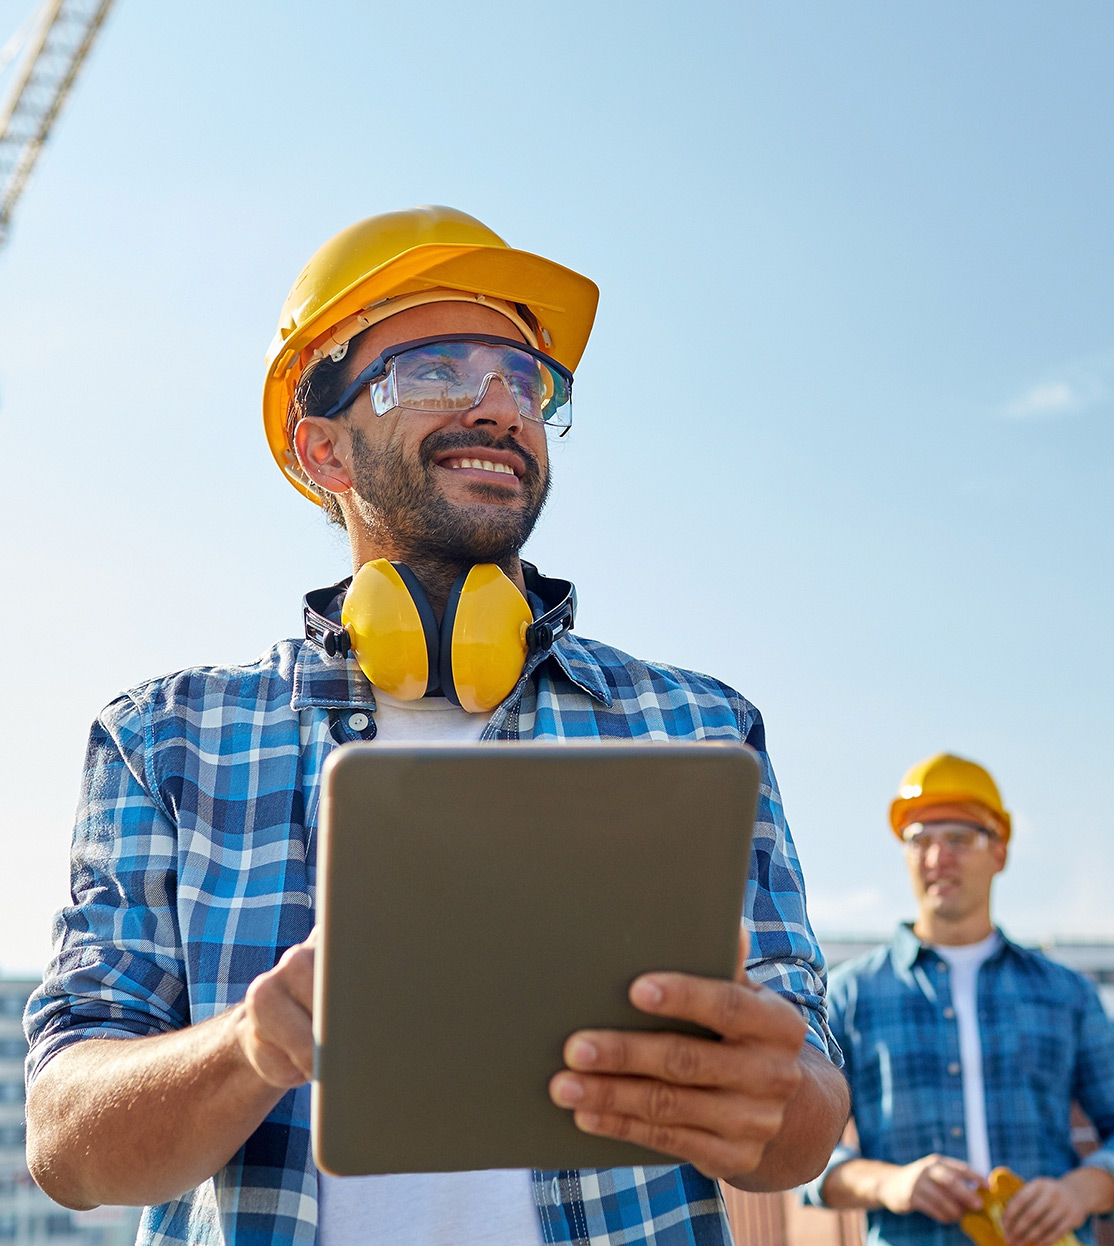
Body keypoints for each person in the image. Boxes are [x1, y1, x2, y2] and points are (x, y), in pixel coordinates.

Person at [24, 205, 848, 1246]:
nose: (500, 405)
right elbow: (63, 1142)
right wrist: (249, 1048)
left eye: (523, 379)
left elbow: (808, 1113)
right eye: (435, 369)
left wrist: (773, 1094)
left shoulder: (697, 726)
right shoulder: (167, 740)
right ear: (324, 449)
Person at [802, 752, 1114, 1246]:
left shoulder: (1067, 993)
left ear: (1001, 852)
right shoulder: (849, 994)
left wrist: (1080, 1190)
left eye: (960, 839)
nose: (936, 857)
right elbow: (805, 1155)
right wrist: (893, 1184)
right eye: (919, 839)